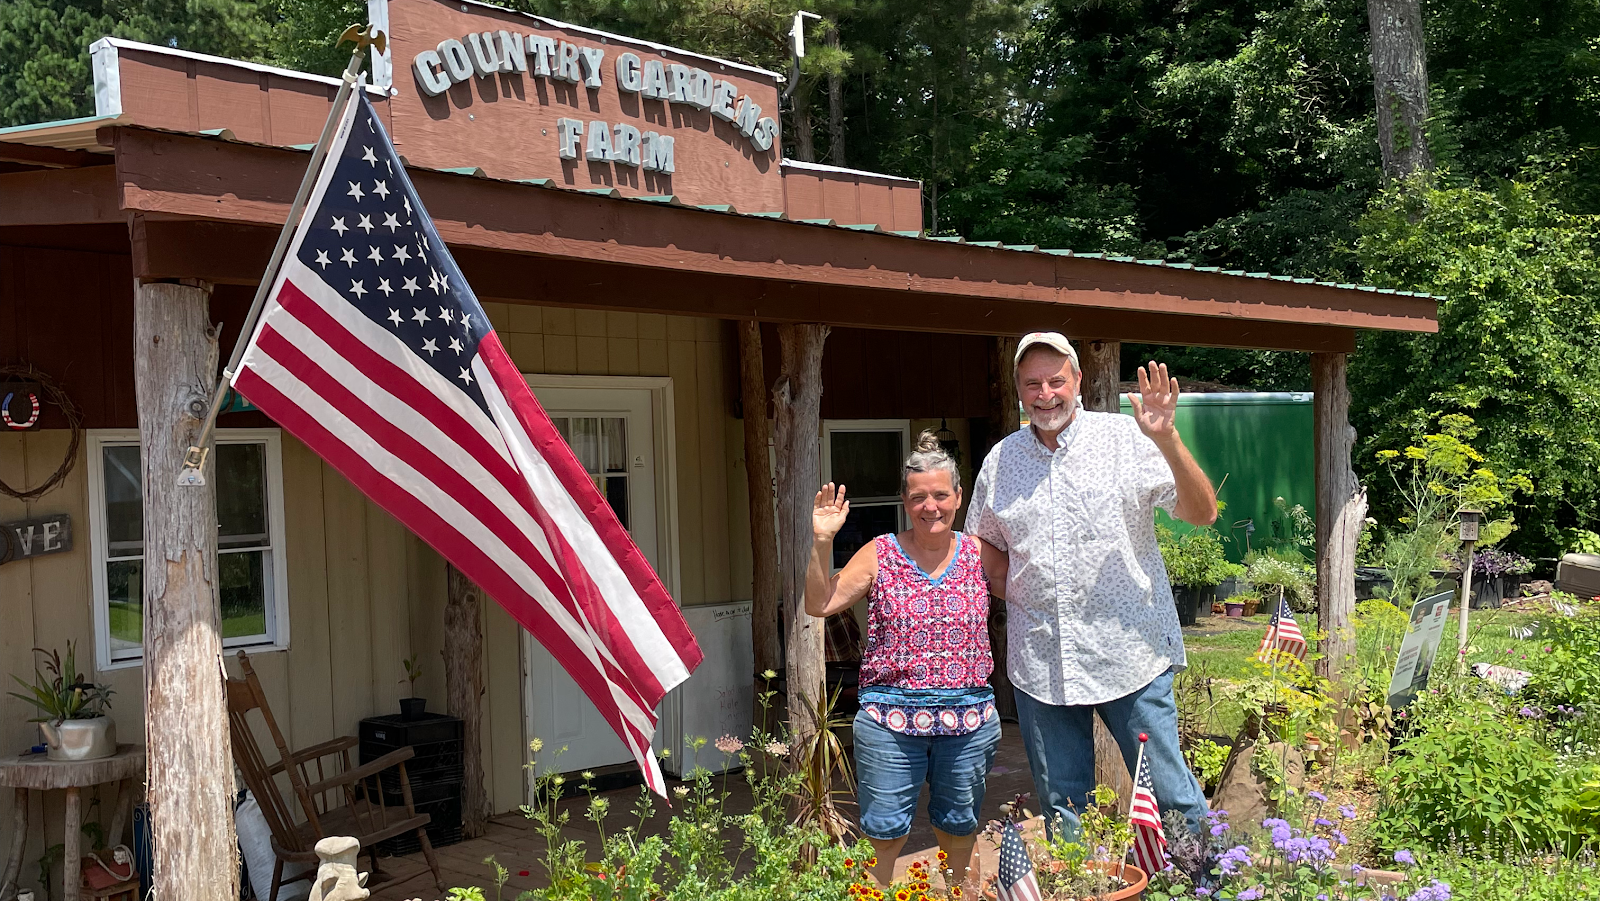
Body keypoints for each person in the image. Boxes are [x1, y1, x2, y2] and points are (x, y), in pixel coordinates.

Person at [966, 331, 1216, 840]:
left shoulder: (1126, 439)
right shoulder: (1001, 461)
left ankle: (1205, 886)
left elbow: (1202, 512)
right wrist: (1013, 586)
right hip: (1042, 662)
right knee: (1063, 810)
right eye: (1032, 383)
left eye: (1056, 380)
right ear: (1018, 390)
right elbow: (982, 541)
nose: (1045, 394)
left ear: (1078, 381)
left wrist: (1167, 438)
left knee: (1172, 796)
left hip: (1131, 656)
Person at [806, 431, 1007, 890]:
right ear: (905, 500)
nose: (930, 506)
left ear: (959, 497)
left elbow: (1032, 589)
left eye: (940, 495)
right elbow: (819, 603)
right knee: (883, 833)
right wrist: (821, 542)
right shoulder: (880, 553)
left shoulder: (978, 553)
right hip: (889, 721)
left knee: (959, 828)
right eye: (919, 497)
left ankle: (959, 894)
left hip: (968, 721)